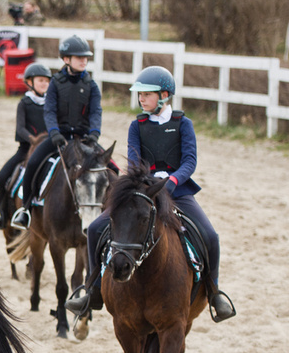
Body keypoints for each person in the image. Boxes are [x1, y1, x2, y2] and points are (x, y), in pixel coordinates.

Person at [65, 66, 236, 322]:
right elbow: (134, 160)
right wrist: (147, 182)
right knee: (97, 228)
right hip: (143, 191)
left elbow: (190, 161)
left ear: (164, 95)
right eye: (139, 95)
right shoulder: (137, 126)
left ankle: (214, 292)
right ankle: (92, 289)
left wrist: (173, 180)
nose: (141, 99)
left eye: (147, 94)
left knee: (210, 235)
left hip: (177, 191)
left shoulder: (183, 124)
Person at [11, 35, 102, 227]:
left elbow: (96, 112)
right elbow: (50, 110)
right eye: (79, 57)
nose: (84, 60)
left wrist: (94, 133)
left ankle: (108, 211)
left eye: (85, 57)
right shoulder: (55, 83)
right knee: (33, 163)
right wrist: (54, 133)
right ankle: (26, 209)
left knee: (111, 168)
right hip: (58, 138)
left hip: (84, 139)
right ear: (66, 59)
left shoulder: (92, 85)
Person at [0, 62, 51, 229]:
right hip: (26, 149)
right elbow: (20, 128)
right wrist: (33, 139)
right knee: (1, 178)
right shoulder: (25, 103)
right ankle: (1, 214)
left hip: (49, 150)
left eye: (46, 81)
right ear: (30, 82)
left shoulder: (51, 103)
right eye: (40, 80)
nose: (44, 84)